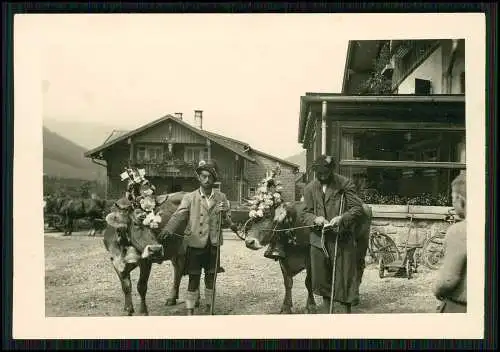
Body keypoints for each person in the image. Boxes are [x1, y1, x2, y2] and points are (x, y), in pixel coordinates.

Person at [159, 159, 239, 315]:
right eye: (204, 176)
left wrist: (227, 219)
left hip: (213, 244)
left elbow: (227, 221)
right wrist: (168, 229)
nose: (207, 180)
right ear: (199, 178)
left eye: (210, 177)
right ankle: (190, 310)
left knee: (211, 277)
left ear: (214, 179)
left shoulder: (221, 198)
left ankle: (210, 308)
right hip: (195, 243)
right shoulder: (190, 197)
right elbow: (179, 215)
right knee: (193, 277)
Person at [301, 155, 365, 313]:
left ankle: (343, 312)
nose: (322, 176)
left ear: (331, 170)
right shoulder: (310, 188)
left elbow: (358, 209)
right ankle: (326, 311)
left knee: (343, 280)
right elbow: (304, 214)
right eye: (319, 173)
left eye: (325, 173)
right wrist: (315, 218)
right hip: (319, 241)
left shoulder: (344, 184)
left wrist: (342, 218)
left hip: (341, 239)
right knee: (321, 280)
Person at [433, 171, 467, 313]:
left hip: (461, 307)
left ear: (461, 199)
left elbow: (448, 280)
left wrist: (436, 290)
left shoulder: (460, 230)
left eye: (452, 198)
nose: (453, 203)